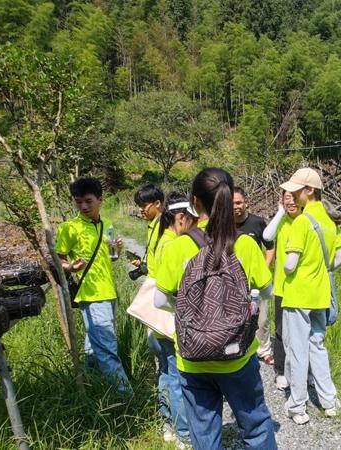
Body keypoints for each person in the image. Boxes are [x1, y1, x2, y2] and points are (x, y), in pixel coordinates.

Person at [154, 168, 277, 450]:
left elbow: (159, 301)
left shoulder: (177, 247)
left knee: (204, 433)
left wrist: (189, 310)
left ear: (194, 202)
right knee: (256, 424)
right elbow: (267, 292)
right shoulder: (244, 244)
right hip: (237, 356)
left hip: (192, 357)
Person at [279, 168, 341, 425]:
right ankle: (329, 401)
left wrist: (292, 266)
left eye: (296, 191)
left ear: (309, 191)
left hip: (298, 294)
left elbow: (289, 265)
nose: (292, 195)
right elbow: (340, 259)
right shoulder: (330, 220)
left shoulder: (301, 222)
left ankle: (297, 406)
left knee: (297, 351)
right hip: (321, 294)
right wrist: (320, 268)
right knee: (317, 346)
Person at [56, 177, 132, 395]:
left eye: (88, 201)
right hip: (90, 295)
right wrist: (70, 267)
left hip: (108, 292)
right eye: (78, 202)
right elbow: (58, 259)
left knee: (94, 348)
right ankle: (126, 397)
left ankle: (91, 386)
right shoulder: (69, 228)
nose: (83, 206)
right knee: (107, 348)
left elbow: (110, 258)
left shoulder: (107, 224)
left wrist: (116, 250)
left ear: (100, 200)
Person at [137, 189, 197, 444]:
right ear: (181, 218)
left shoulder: (161, 238)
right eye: (192, 220)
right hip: (170, 318)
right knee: (178, 376)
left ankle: (168, 422)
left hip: (158, 320)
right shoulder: (173, 244)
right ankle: (184, 432)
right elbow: (170, 289)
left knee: (165, 370)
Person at [261, 190, 302, 391]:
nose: (291, 202)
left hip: (302, 287)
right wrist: (279, 212)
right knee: (280, 331)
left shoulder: (305, 221)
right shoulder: (282, 221)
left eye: (295, 197)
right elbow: (266, 236)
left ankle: (304, 372)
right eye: (287, 198)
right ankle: (280, 371)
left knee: (303, 333)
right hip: (282, 287)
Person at [233, 186, 276, 366]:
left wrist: (264, 267)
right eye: (232, 203)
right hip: (233, 280)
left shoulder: (257, 222)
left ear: (246, 203)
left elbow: (270, 246)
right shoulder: (224, 224)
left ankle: (264, 350)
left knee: (262, 317)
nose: (236, 207)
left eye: (239, 202)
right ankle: (238, 347)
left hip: (256, 280)